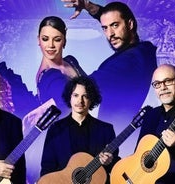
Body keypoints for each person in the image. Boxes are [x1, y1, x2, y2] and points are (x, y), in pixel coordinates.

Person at [62, 0, 157, 128]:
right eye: (105, 28)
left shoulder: (131, 60)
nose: (110, 34)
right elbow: (113, 18)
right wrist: (89, 7)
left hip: (114, 133)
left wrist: (66, 66)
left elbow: (85, 87)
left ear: (130, 24)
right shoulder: (144, 49)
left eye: (115, 25)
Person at [39, 76, 120, 183]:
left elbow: (113, 168)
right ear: (70, 97)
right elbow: (47, 167)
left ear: (91, 99)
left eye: (85, 96)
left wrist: (109, 162)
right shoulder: (56, 129)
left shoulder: (106, 129)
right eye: (75, 95)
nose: (80, 101)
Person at [36, 16, 86, 118]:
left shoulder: (71, 60)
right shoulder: (48, 77)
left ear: (64, 40)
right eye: (45, 39)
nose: (50, 45)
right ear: (38, 40)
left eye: (57, 39)